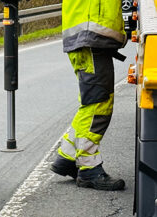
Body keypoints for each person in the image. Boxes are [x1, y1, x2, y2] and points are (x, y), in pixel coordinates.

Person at [50, 0, 126, 190]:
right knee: (98, 104)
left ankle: (67, 156)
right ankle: (89, 168)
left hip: (88, 34)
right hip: (91, 33)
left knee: (92, 102)